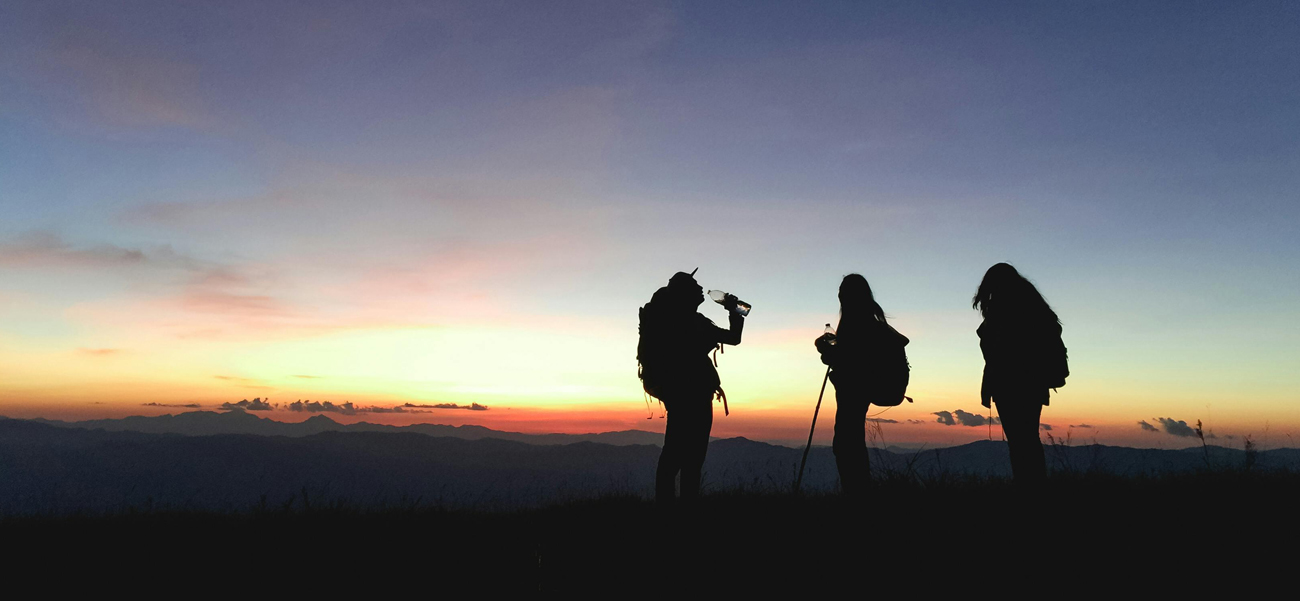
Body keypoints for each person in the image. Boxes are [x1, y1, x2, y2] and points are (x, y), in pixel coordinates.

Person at [637, 270, 744, 506]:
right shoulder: (691, 321)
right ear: (684, 293)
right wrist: (734, 310)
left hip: (676, 392)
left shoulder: (667, 319)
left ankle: (667, 505)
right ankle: (687, 508)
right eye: (695, 286)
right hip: (694, 393)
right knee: (691, 456)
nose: (700, 289)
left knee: (674, 451)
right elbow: (734, 338)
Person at [815, 274, 909, 498]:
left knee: (847, 443)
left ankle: (857, 496)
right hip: (864, 388)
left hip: (856, 390)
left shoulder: (858, 327)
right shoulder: (872, 326)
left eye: (842, 292)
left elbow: (853, 362)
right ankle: (859, 494)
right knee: (849, 441)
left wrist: (827, 352)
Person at [973, 263, 1065, 483]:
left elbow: (997, 347)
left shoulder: (1004, 308)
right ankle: (1033, 485)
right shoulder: (1032, 306)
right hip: (1032, 382)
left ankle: (1028, 487)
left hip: (1010, 383)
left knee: (1020, 441)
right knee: (1028, 439)